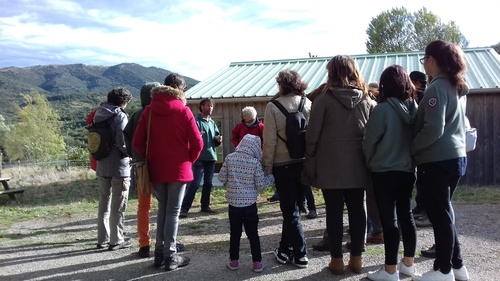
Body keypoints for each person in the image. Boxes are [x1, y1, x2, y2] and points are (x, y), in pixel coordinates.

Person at [305, 55, 375, 275]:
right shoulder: (366, 99)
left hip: (330, 165)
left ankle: (336, 261)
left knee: (333, 213)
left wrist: (309, 157)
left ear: (331, 72)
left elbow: (312, 135)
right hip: (358, 164)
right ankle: (357, 259)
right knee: (357, 211)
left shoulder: (323, 100)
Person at [411, 40, 469, 281]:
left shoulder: (436, 88)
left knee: (439, 215)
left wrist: (411, 149)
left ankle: (443, 270)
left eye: (424, 59)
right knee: (446, 213)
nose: (423, 64)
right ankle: (457, 266)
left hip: (437, 160)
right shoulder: (454, 86)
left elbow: (434, 128)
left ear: (432, 59)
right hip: (455, 157)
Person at [133, 73, 203, 271]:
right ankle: (170, 256)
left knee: (163, 210)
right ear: (179, 89)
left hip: (156, 169)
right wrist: (188, 159)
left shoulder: (149, 110)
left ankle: (159, 253)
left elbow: (137, 142)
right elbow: (198, 142)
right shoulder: (184, 110)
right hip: (179, 170)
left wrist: (153, 156)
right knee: (173, 212)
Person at [363, 65, 418, 281]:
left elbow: (369, 142)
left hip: (383, 171)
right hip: (407, 170)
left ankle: (389, 271)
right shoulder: (414, 107)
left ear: (385, 85)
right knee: (407, 216)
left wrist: (370, 162)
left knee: (389, 221)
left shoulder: (382, 109)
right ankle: (409, 265)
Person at [124, 81, 183, 258]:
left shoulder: (134, 116)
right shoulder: (160, 112)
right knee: (166, 208)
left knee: (144, 206)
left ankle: (144, 245)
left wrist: (137, 157)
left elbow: (128, 141)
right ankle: (166, 245)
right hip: (160, 167)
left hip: (141, 167)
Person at [263, 69, 312, 268]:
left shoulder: (272, 107)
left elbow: (270, 141)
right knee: (294, 211)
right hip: (303, 162)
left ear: (281, 85)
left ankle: (301, 254)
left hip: (282, 165)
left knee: (289, 211)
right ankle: (284, 251)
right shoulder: (307, 104)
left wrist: (267, 166)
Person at [218, 134, 274, 273]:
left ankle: (234, 261)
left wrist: (231, 181)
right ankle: (257, 263)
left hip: (233, 205)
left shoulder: (229, 158)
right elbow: (260, 185)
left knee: (235, 234)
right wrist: (271, 177)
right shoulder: (254, 163)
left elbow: (221, 177)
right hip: (249, 205)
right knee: (253, 234)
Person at [94, 87, 133, 251]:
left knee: (104, 203)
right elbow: (122, 142)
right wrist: (131, 153)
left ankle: (102, 238)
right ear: (123, 102)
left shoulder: (98, 113)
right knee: (118, 206)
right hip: (119, 167)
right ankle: (116, 240)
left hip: (102, 164)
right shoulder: (119, 116)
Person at [180, 98, 222, 217]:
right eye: (208, 105)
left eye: (212, 106)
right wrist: (197, 136)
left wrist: (218, 140)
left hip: (211, 157)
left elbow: (216, 139)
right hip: (199, 157)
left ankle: (205, 206)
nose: (210, 108)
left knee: (208, 183)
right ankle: (184, 208)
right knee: (195, 183)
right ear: (202, 107)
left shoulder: (212, 123)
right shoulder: (195, 121)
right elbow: (188, 137)